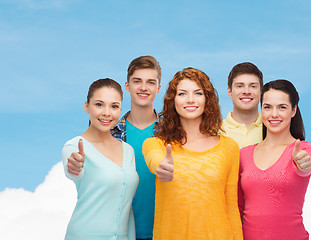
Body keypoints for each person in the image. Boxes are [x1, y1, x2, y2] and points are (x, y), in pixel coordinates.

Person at [142, 67, 243, 240]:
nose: (190, 100)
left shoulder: (229, 147)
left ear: (207, 99)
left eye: (197, 93)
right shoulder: (156, 145)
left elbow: (231, 208)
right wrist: (161, 166)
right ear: (172, 101)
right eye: (182, 94)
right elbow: (155, 159)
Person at [238, 79, 311, 240]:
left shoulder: (303, 149)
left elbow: (305, 166)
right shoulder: (243, 155)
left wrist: (304, 165)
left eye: (282, 107)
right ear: (261, 110)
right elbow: (238, 207)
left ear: (293, 110)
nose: (274, 114)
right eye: (268, 107)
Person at [62, 78, 139, 240]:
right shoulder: (74, 147)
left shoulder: (128, 150)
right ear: (86, 106)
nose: (106, 112)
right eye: (99, 104)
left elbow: (127, 207)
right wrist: (74, 166)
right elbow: (73, 170)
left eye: (114, 106)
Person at [111, 56, 161, 240]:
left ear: (158, 88)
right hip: (120, 233)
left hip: (163, 232)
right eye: (137, 81)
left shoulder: (173, 133)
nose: (143, 87)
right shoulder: (110, 132)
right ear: (127, 85)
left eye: (150, 82)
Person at [221, 62, 264, 148]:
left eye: (253, 86)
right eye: (240, 86)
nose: (246, 91)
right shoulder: (215, 132)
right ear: (230, 92)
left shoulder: (272, 129)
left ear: (261, 92)